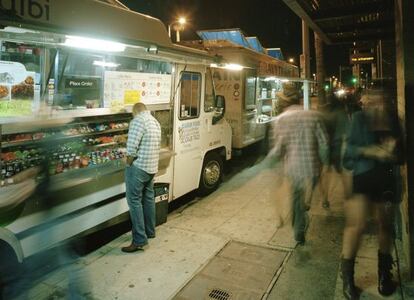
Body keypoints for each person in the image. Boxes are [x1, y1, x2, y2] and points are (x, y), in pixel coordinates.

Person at [341, 80, 401, 299]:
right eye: (374, 98)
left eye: (383, 98)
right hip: (363, 178)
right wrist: (372, 151)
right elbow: (349, 153)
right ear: (367, 100)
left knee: (385, 227)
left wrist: (392, 152)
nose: (378, 103)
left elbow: (401, 156)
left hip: (386, 181)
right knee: (356, 226)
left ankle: (384, 274)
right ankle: (347, 277)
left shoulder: (394, 121)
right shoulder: (358, 119)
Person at [270, 82, 329, 244]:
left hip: (293, 167)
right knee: (303, 197)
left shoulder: (280, 120)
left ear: (285, 103)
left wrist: (270, 161)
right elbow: (324, 144)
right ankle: (303, 212)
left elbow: (278, 148)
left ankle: (298, 229)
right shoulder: (314, 116)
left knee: (296, 196)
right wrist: (325, 163)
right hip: (312, 167)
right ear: (300, 101)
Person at [122, 102, 161, 253]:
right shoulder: (154, 121)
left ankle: (139, 240)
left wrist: (128, 164)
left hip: (139, 168)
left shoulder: (137, 121)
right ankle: (150, 232)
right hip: (151, 167)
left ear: (135, 111)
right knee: (148, 199)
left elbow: (131, 149)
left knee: (134, 201)